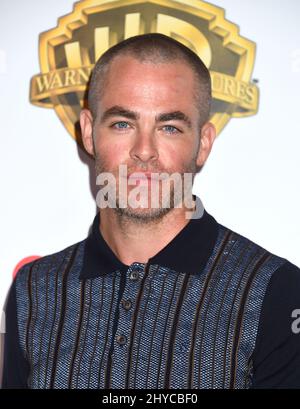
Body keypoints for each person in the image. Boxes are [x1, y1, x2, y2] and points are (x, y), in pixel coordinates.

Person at [1, 33, 300, 389]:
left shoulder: (276, 291)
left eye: (169, 127)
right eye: (122, 124)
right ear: (88, 132)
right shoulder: (33, 290)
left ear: (202, 144)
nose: (144, 150)